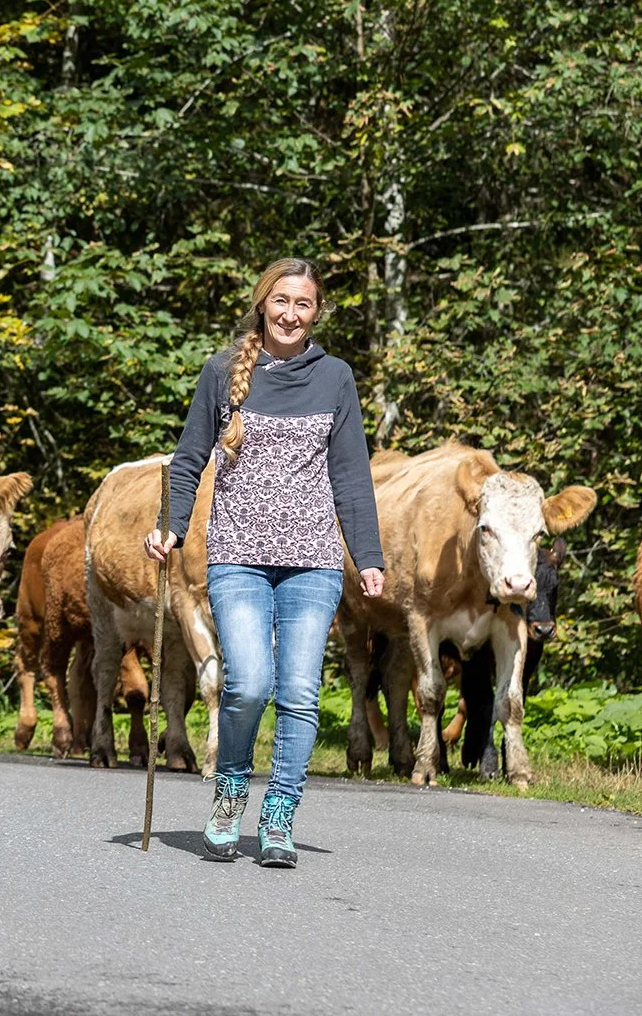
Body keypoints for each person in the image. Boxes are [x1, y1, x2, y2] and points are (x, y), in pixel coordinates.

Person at [143, 257, 385, 867]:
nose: (291, 314)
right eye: (281, 301)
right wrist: (170, 529)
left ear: (317, 312)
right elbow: (189, 457)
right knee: (248, 684)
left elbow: (351, 476)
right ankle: (230, 792)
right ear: (262, 304)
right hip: (237, 556)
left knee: (300, 693)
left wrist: (369, 557)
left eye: (304, 304)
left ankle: (279, 814)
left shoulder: (336, 378)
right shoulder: (222, 372)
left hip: (314, 561)